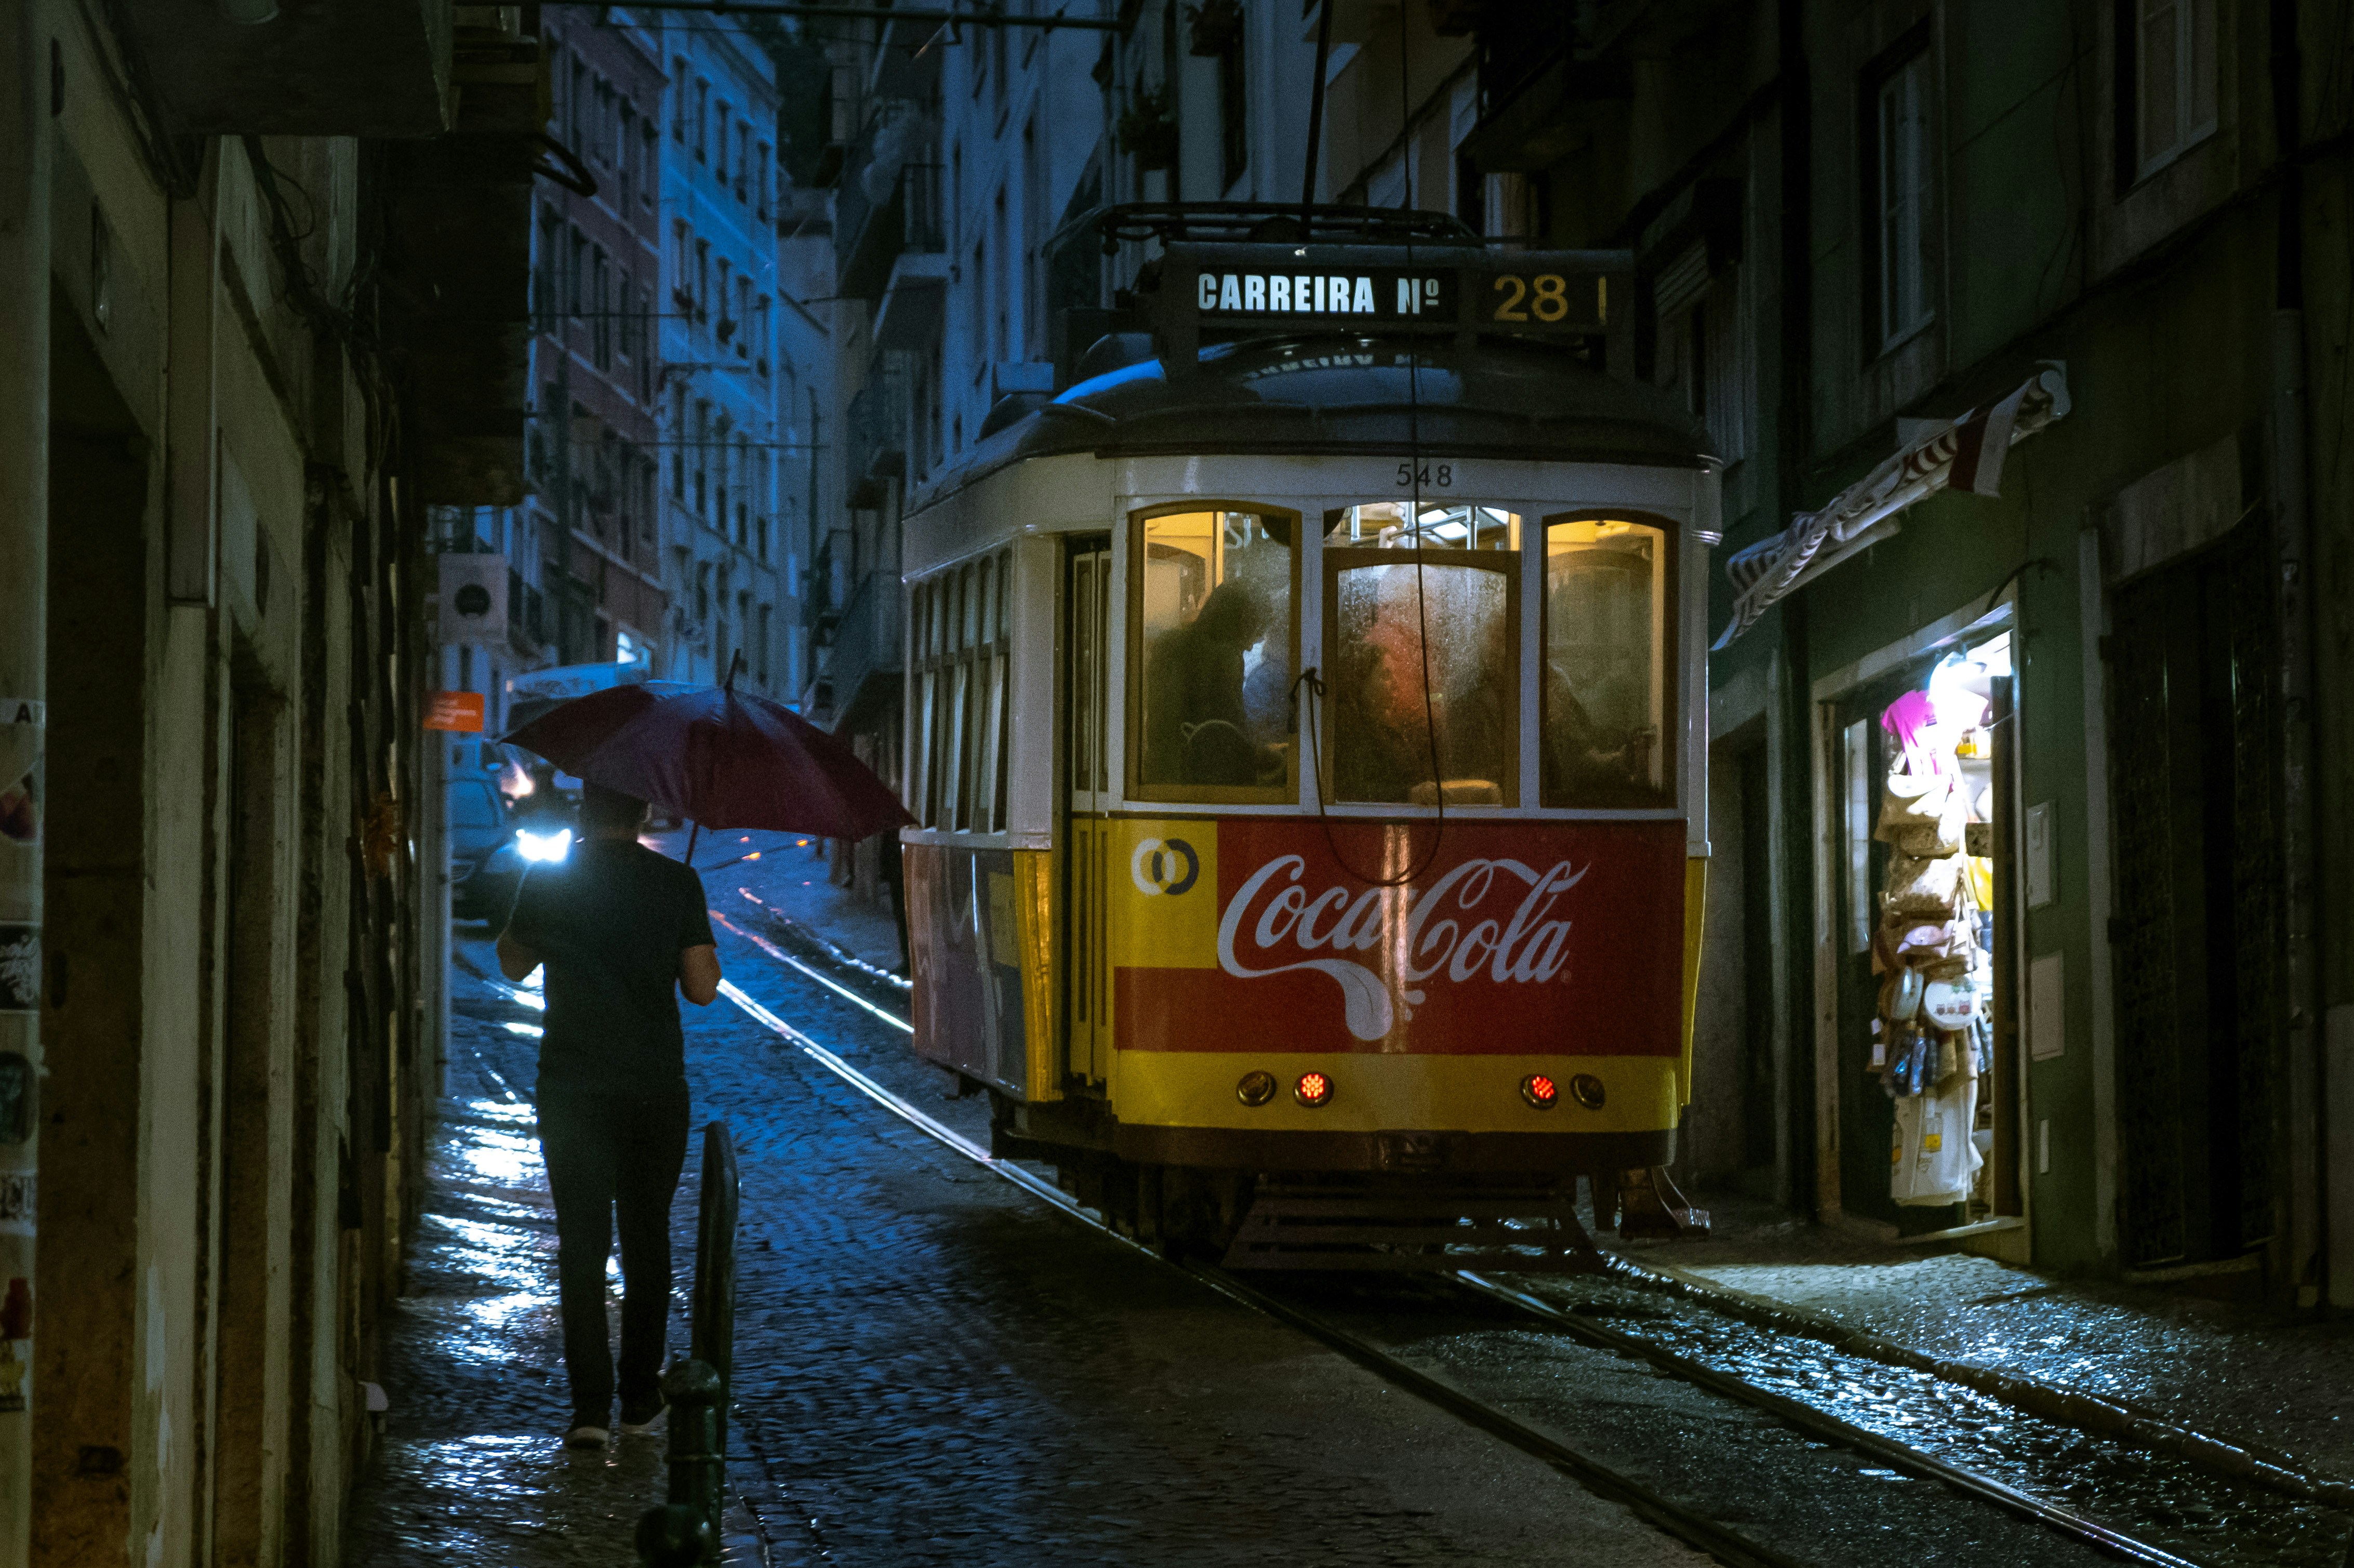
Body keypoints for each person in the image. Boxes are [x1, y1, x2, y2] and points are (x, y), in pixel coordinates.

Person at [495, 781, 723, 1449]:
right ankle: (638, 1395)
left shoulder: (548, 880)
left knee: (583, 1245)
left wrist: (535, 914)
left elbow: (511, 965)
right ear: (645, 813)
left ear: (583, 812)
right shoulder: (676, 881)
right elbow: (703, 990)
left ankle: (588, 1410)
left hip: (572, 1084)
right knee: (648, 1240)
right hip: (653, 1085)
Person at [1142, 581, 1272, 786]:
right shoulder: (1226, 657)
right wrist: (1268, 756)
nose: (1249, 647)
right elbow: (1230, 731)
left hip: (1161, 778)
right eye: (1253, 633)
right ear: (1237, 624)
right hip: (1204, 781)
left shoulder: (1168, 646)